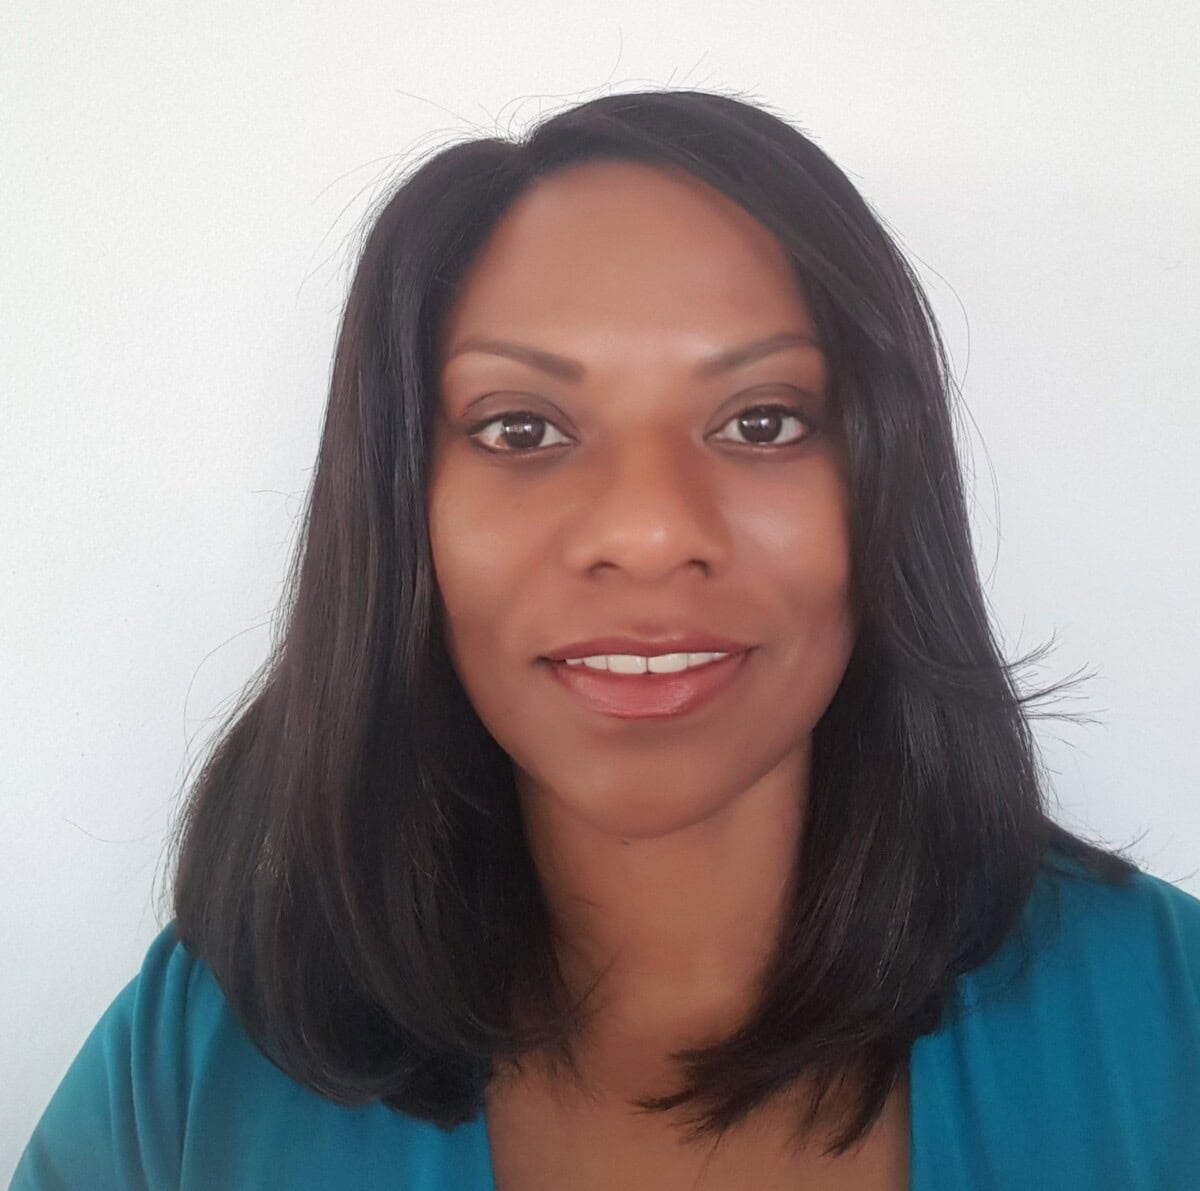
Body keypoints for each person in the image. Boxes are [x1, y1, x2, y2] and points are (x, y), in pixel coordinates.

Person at [11, 88, 1200, 1191]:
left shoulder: (1171, 1012)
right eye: (520, 429)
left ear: (890, 484)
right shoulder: (194, 1061)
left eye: (763, 421)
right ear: (401, 511)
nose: (648, 533)